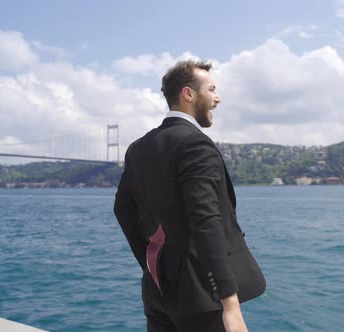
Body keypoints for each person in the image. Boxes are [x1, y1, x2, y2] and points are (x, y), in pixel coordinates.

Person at [114, 60, 266, 332]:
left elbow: (123, 210)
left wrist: (153, 265)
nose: (218, 98)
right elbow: (206, 221)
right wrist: (230, 305)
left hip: (158, 292)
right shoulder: (195, 144)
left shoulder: (138, 148)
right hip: (202, 298)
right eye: (212, 89)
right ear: (188, 94)